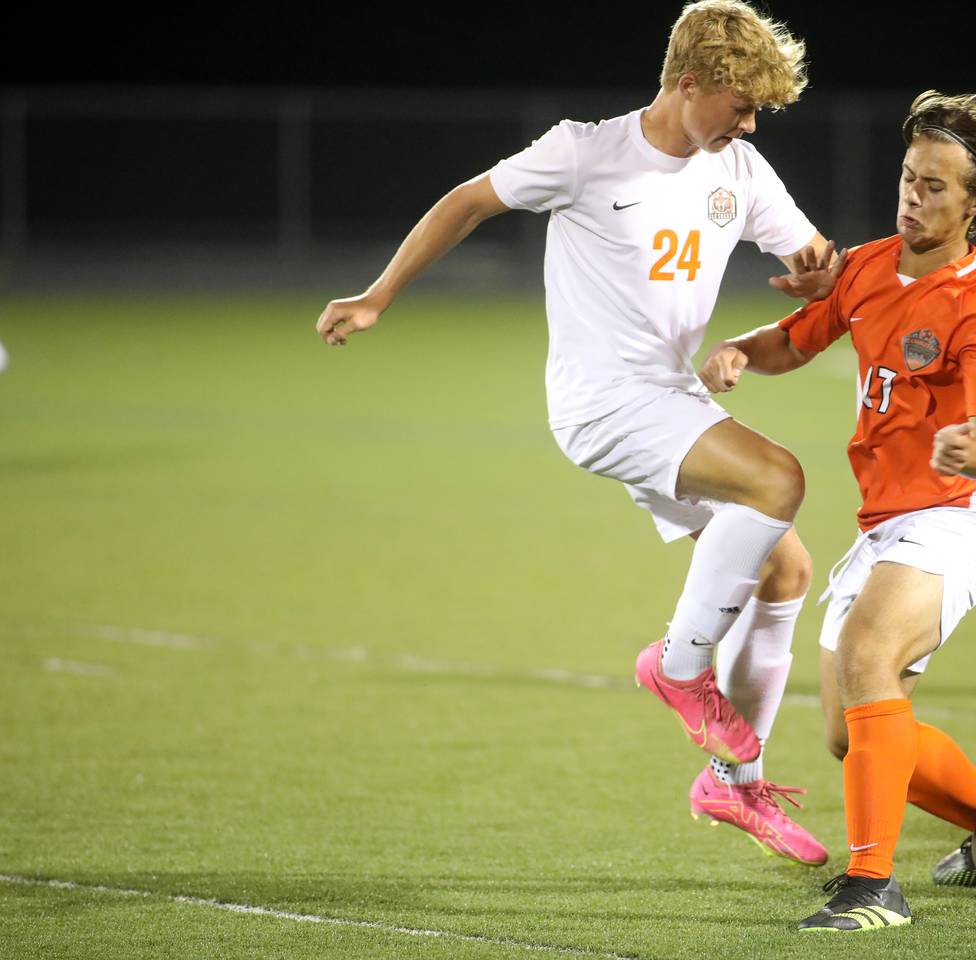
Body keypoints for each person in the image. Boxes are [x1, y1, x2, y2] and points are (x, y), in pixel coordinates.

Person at [315, 1, 833, 866]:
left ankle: (732, 785)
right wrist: (377, 295)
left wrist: (816, 286)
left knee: (785, 568)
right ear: (690, 80)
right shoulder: (586, 152)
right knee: (779, 479)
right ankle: (679, 666)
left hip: (668, 398)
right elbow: (465, 203)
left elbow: (817, 263)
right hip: (601, 402)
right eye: (741, 104)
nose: (750, 123)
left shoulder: (738, 169)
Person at [698, 89, 976, 929]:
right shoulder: (865, 266)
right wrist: (742, 350)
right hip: (889, 523)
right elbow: (798, 337)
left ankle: (872, 887)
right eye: (908, 178)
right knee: (851, 736)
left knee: (866, 659)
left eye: (934, 186)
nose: (912, 196)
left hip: (965, 516)